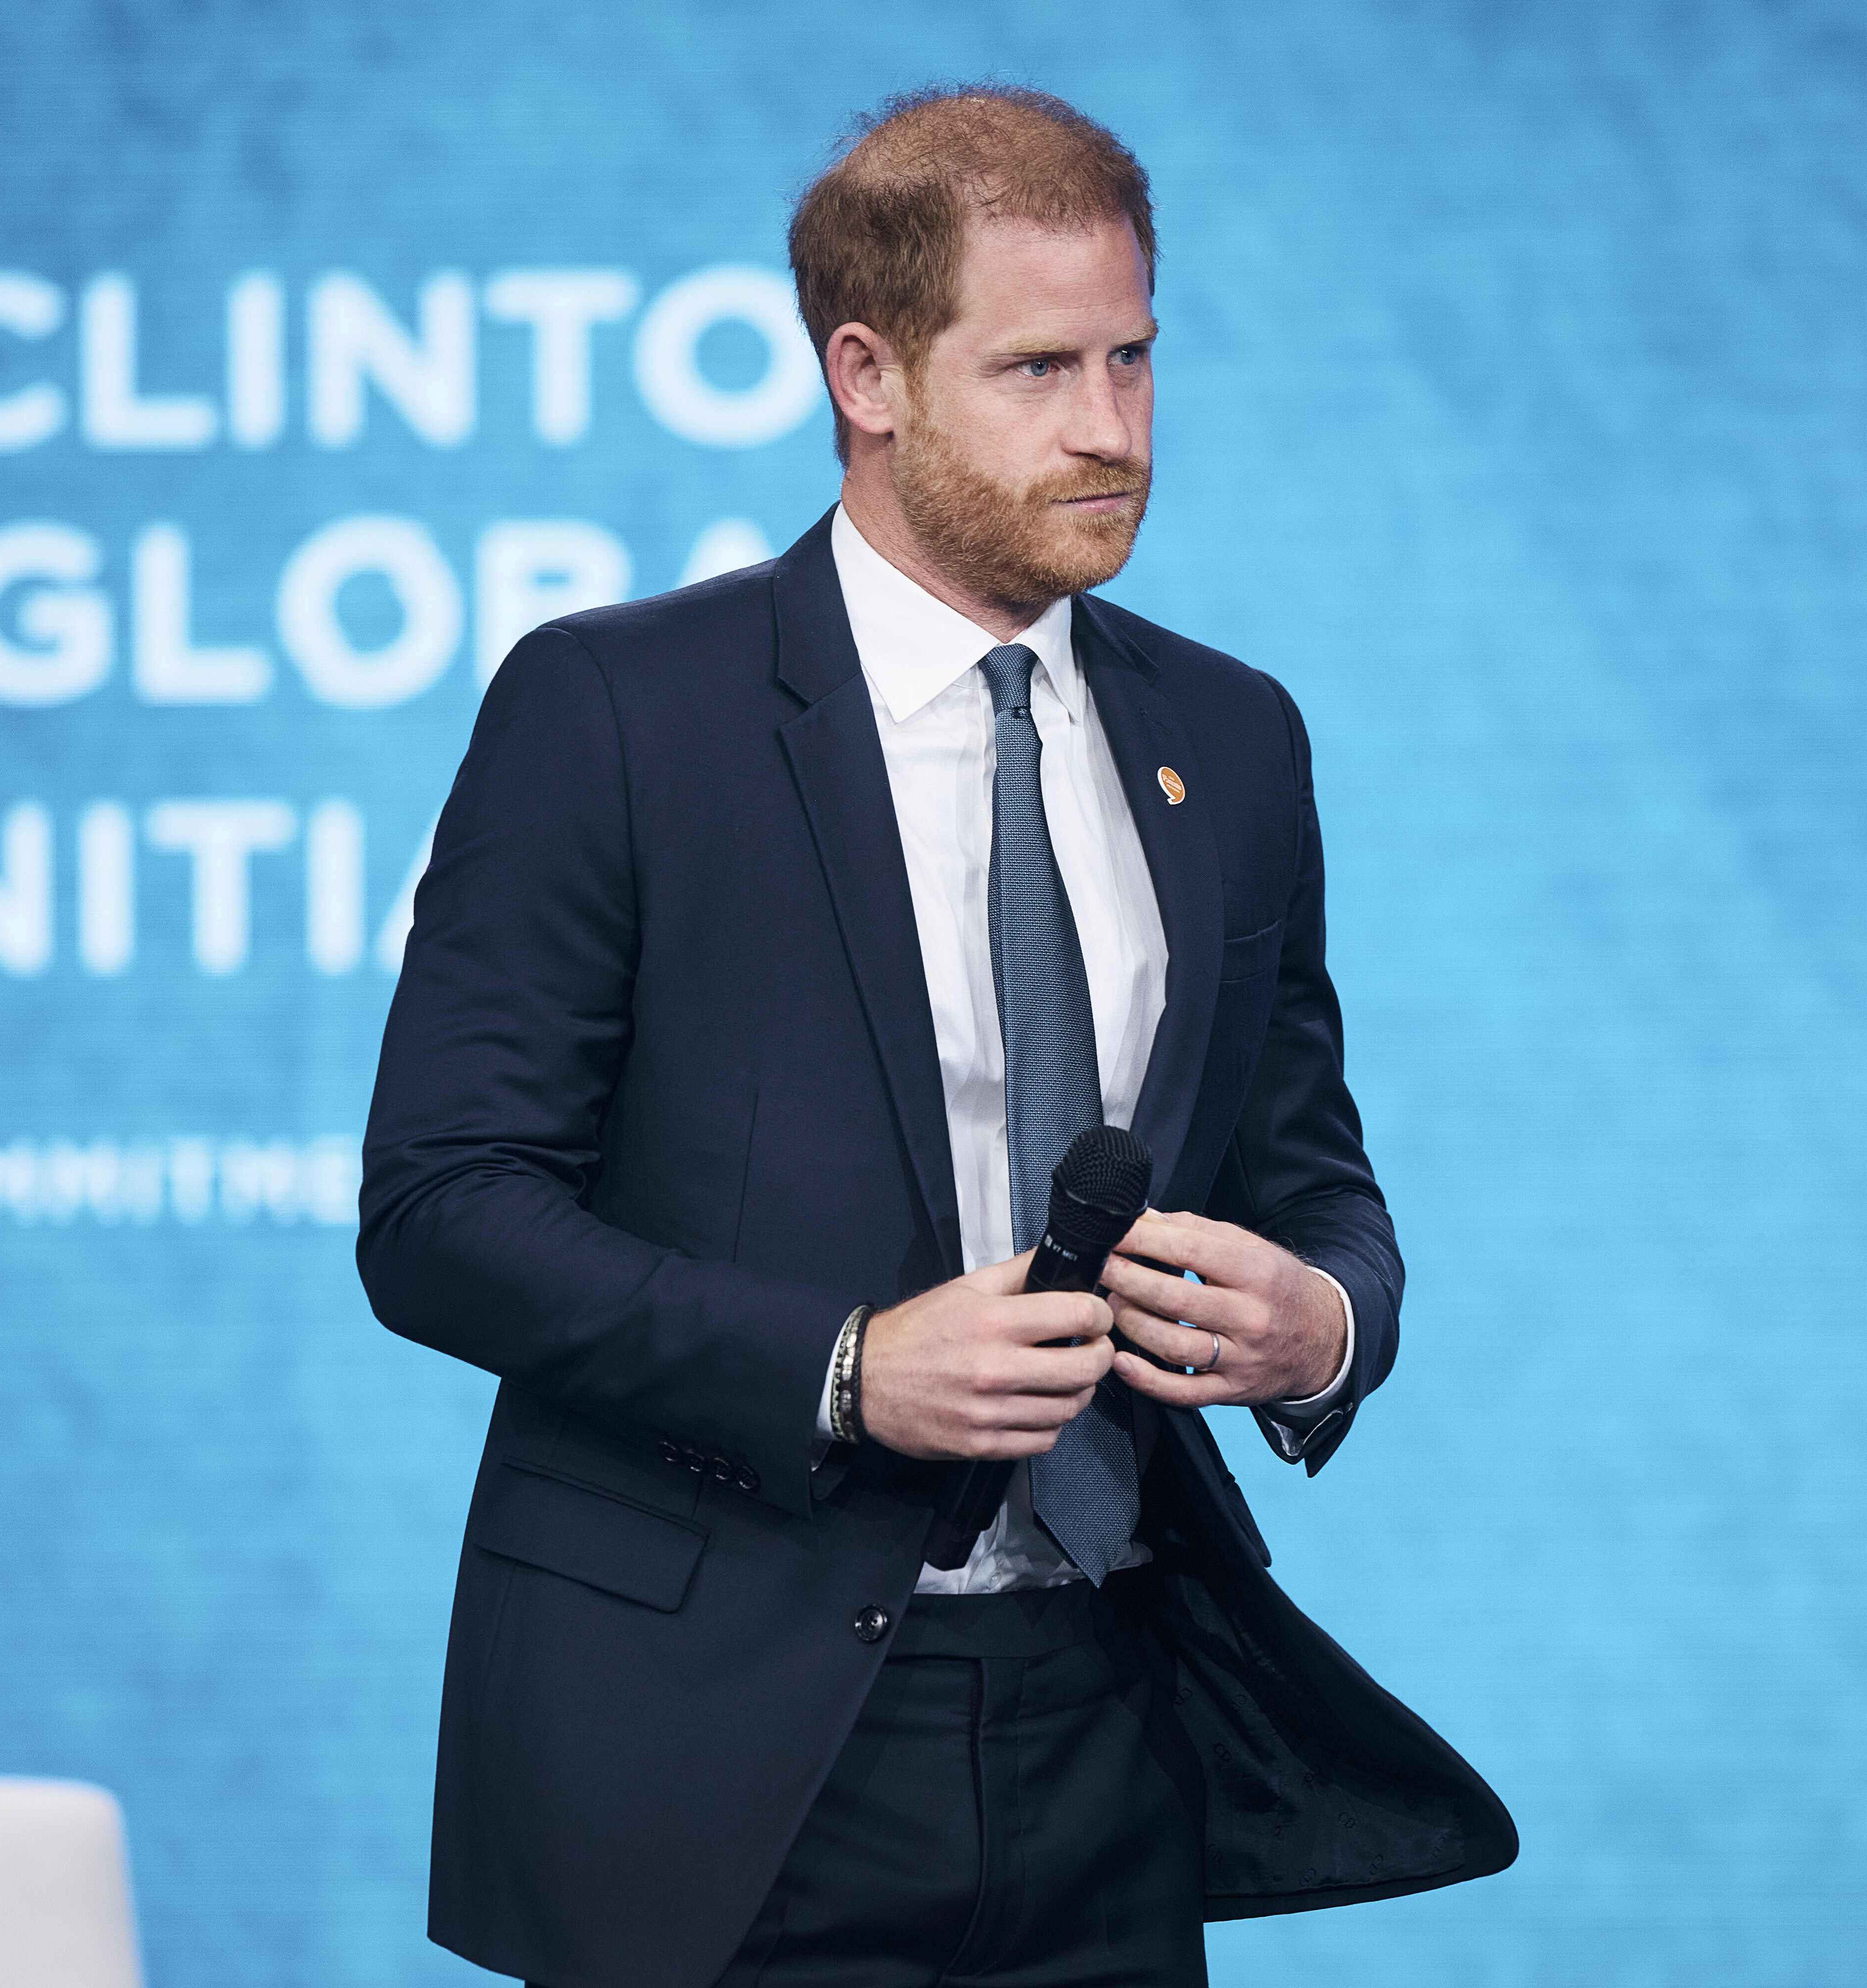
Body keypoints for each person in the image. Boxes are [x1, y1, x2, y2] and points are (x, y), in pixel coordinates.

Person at [358, 83, 1512, 1988]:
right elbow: (442, 1209)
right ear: (868, 374)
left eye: (1136, 360)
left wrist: (1327, 1328)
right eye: (1040, 366)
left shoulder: (1232, 738)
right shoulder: (617, 712)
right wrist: (839, 1367)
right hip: (719, 1756)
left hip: (1111, 1725)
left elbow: (1312, 1170)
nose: (1109, 431)